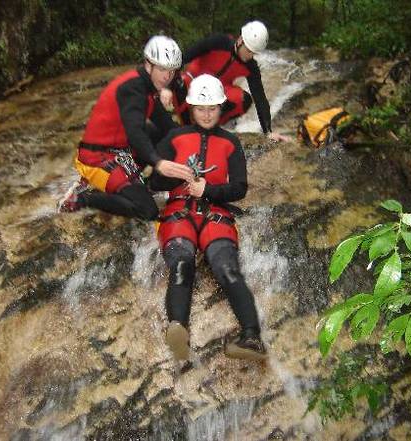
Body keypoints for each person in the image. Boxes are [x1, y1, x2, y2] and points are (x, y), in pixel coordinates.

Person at [151, 74, 267, 362]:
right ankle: (178, 329)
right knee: (181, 263)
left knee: (227, 268)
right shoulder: (174, 138)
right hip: (180, 211)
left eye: (212, 108)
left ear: (221, 108)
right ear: (190, 108)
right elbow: (155, 183)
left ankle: (252, 337)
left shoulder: (231, 143)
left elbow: (239, 188)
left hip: (215, 213)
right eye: (201, 108)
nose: (206, 114)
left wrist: (209, 189)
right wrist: (174, 175)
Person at [58, 35, 194, 219]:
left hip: (119, 149)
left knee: (164, 134)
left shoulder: (149, 87)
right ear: (148, 64)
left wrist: (199, 143)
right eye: (162, 69)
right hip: (96, 158)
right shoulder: (133, 89)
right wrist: (159, 163)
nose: (167, 76)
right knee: (148, 211)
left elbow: (168, 126)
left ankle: (136, 186)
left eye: (171, 71)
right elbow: (136, 132)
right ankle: (84, 197)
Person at [163, 20, 290, 143]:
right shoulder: (219, 42)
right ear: (240, 40)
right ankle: (184, 125)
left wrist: (268, 131)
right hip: (192, 80)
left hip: (217, 91)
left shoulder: (251, 66)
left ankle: (208, 128)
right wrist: (167, 87)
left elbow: (260, 97)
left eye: (254, 53)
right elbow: (184, 57)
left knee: (244, 100)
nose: (250, 56)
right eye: (249, 50)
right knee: (179, 82)